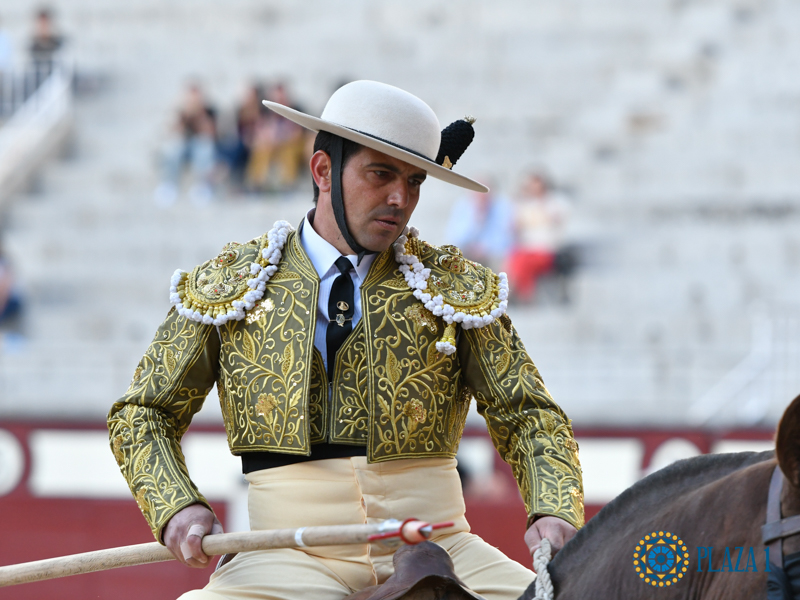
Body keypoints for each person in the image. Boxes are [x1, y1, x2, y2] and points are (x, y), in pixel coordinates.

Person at [109, 81, 583, 600]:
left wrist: (553, 506)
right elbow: (143, 413)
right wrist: (176, 505)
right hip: (286, 555)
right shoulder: (233, 284)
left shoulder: (454, 287)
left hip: (441, 546)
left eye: (415, 181)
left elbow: (528, 413)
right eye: (380, 174)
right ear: (322, 171)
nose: (400, 199)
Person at [506, 172, 571, 303]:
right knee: (515, 258)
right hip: (526, 249)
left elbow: (558, 222)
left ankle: (524, 296)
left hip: (547, 250)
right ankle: (521, 294)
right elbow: (514, 228)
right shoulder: (524, 205)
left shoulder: (556, 203)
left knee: (522, 262)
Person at [153, 82, 218, 206]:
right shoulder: (179, 111)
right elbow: (172, 132)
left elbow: (211, 134)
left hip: (199, 144)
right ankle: (169, 185)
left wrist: (200, 115)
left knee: (204, 148)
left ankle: (202, 186)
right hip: (183, 143)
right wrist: (184, 116)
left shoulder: (210, 110)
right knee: (173, 148)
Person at [244, 82, 308, 191]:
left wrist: (280, 137)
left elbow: (298, 133)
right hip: (273, 143)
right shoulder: (266, 112)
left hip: (291, 143)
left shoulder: (296, 109)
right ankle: (257, 181)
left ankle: (288, 182)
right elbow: (260, 131)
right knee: (262, 148)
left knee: (288, 150)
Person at [445, 176, 514, 272]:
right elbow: (455, 237)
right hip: (468, 252)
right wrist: (477, 219)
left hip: (492, 254)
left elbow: (506, 238)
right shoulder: (464, 206)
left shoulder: (502, 207)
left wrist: (485, 248)